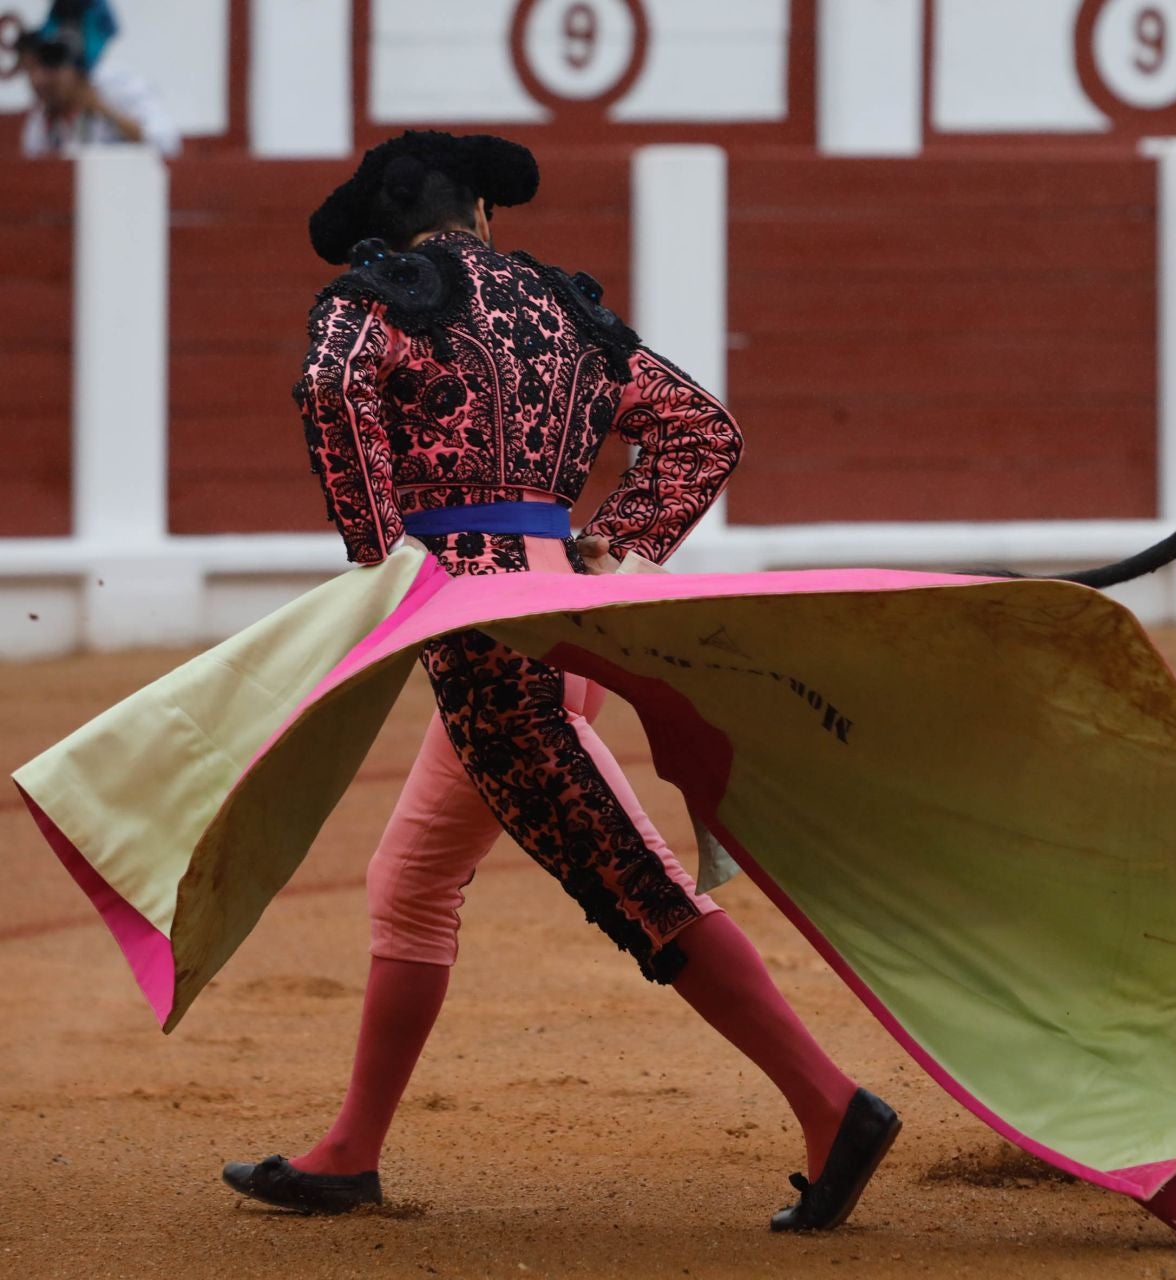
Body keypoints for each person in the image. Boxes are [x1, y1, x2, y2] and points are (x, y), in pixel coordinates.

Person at [218, 130, 898, 1232]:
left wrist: (384, 554)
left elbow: (336, 383)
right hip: (563, 614)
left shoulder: (378, 295)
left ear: (393, 225)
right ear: (482, 209)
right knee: (413, 878)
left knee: (634, 881)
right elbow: (701, 432)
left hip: (482, 634)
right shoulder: (561, 309)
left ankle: (833, 1104)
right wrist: (607, 546)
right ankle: (349, 1150)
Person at [18, 0, 181, 159]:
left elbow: (166, 145)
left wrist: (102, 108)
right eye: (30, 71)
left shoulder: (118, 85)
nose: (37, 80)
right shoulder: (42, 117)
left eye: (50, 67)